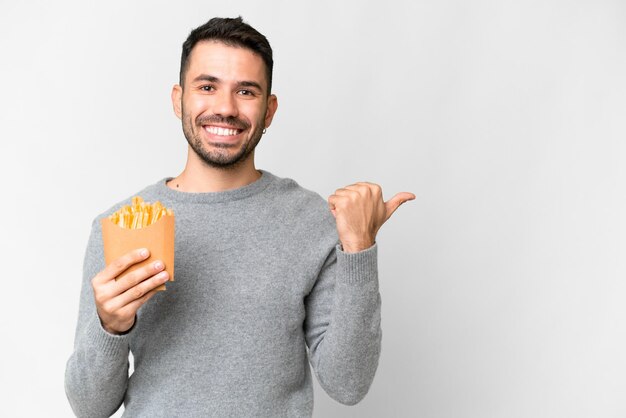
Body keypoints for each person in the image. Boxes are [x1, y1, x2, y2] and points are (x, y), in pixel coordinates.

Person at [65, 16, 414, 418]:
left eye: (245, 91)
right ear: (179, 100)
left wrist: (359, 247)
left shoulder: (311, 220)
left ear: (269, 110)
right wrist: (110, 327)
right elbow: (89, 407)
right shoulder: (120, 226)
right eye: (207, 86)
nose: (225, 108)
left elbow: (348, 384)